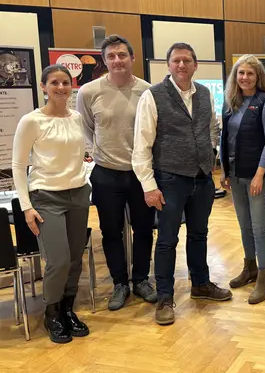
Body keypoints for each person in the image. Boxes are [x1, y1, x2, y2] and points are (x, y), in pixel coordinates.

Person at [132, 42, 230, 326]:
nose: (182, 65)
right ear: (169, 65)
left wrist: (210, 153)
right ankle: (165, 297)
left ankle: (200, 283)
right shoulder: (153, 96)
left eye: (187, 60)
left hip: (202, 178)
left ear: (195, 65)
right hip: (170, 179)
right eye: (176, 60)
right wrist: (149, 186)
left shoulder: (205, 94)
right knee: (167, 239)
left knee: (199, 234)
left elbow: (211, 128)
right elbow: (141, 144)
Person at [76, 35, 157, 311]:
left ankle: (141, 280)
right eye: (111, 56)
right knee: (110, 231)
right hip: (106, 173)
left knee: (143, 229)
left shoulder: (148, 91)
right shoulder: (88, 92)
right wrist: (101, 152)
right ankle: (120, 283)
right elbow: (87, 128)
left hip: (140, 173)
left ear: (132, 58)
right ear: (104, 61)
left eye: (122, 55)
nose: (117, 60)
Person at [12, 64, 92, 344]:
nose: (61, 87)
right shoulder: (32, 121)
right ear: (43, 86)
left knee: (75, 258)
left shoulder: (76, 118)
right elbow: (18, 165)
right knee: (58, 260)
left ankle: (68, 310)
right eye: (54, 82)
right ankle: (52, 313)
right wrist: (26, 206)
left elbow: (80, 154)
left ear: (72, 86)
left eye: (65, 82)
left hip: (78, 194)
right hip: (46, 197)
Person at [220, 55, 265, 304]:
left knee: (259, 227)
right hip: (235, 174)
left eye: (250, 73)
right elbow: (225, 138)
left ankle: (263, 278)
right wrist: (224, 170)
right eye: (240, 73)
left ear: (258, 76)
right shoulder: (231, 102)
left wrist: (260, 174)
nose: (245, 78)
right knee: (244, 226)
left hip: (257, 176)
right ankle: (250, 267)